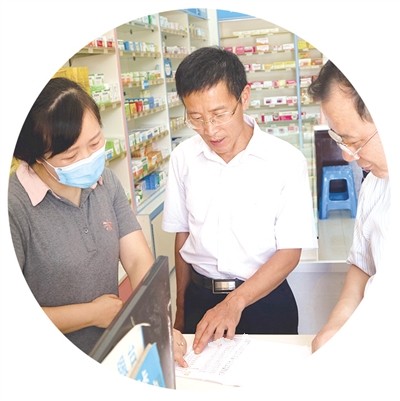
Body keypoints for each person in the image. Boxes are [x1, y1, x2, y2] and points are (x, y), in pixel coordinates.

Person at [8, 77, 187, 366]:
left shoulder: (106, 182)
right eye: (70, 155)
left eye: (95, 143)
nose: (88, 159)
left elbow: (137, 259)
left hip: (112, 353)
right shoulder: (14, 206)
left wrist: (157, 322)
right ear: (37, 157)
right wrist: (91, 314)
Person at [162, 46, 318, 354]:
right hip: (199, 300)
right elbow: (183, 235)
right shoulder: (183, 158)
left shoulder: (286, 160)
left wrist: (234, 302)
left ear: (244, 97)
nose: (210, 130)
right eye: (196, 118)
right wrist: (180, 308)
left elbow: (290, 252)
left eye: (219, 115)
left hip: (265, 302)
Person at [307, 60, 390, 353]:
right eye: (340, 140)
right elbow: (363, 266)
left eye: (354, 141)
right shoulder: (375, 185)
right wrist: (336, 325)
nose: (347, 156)